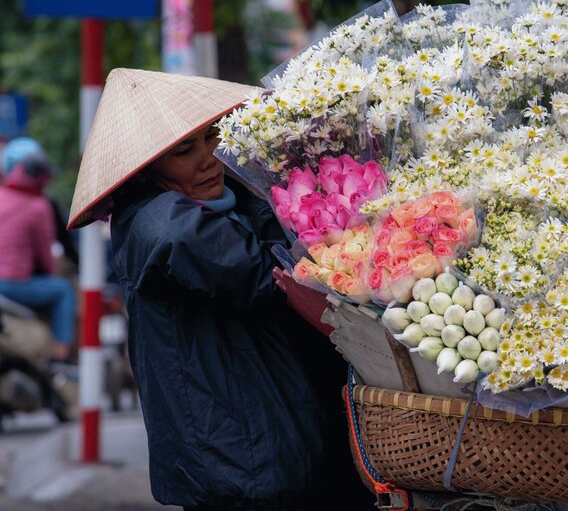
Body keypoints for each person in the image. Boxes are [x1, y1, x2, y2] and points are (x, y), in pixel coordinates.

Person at [67, 68, 373, 510]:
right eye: (183, 151)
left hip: (277, 443)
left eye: (212, 137)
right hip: (239, 458)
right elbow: (259, 273)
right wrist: (290, 206)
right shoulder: (161, 224)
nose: (208, 158)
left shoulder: (228, 205)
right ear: (149, 169)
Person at [0, 138, 77, 363]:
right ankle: (60, 354)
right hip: (14, 284)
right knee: (63, 290)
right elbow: (45, 258)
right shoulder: (40, 206)